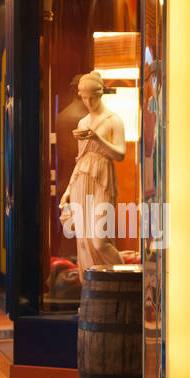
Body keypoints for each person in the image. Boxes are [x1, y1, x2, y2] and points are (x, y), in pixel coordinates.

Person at [58, 71, 126, 273]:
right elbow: (80, 159)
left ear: (101, 93)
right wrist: (69, 189)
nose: (88, 102)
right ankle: (90, 292)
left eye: (92, 98)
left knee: (100, 241)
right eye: (84, 98)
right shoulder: (83, 122)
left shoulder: (113, 120)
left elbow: (120, 154)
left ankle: (126, 282)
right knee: (84, 241)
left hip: (102, 178)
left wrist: (97, 138)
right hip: (81, 179)